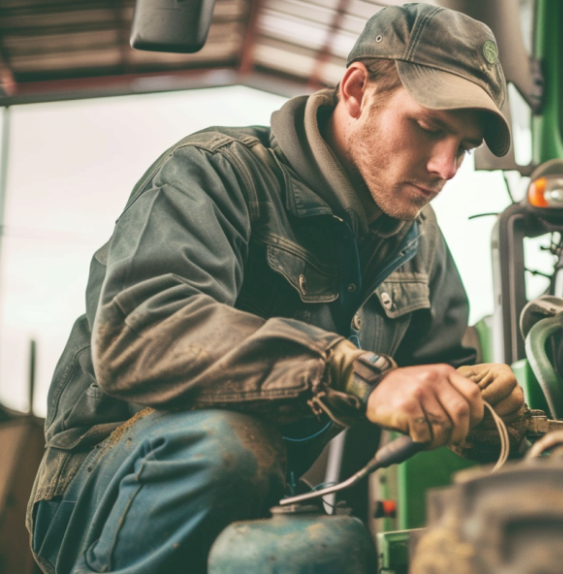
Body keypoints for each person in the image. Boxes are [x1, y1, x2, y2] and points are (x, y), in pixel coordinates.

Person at [26, 4, 525, 573]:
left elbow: (435, 367)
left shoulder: (418, 237)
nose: (445, 167)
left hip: (268, 480)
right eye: (430, 128)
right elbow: (141, 332)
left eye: (463, 147)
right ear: (358, 91)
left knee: (334, 547)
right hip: (103, 485)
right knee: (227, 446)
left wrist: (476, 400)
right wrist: (353, 372)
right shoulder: (215, 174)